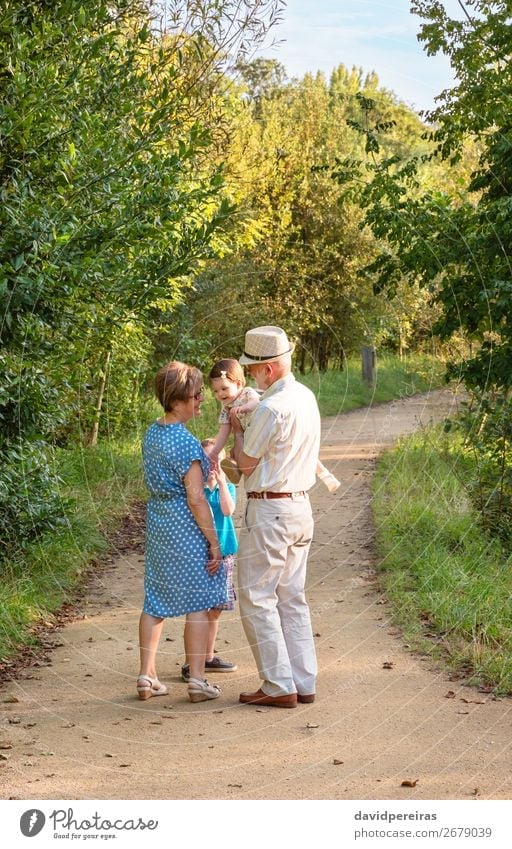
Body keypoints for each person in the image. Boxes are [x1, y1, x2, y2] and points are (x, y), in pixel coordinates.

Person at [231, 325, 321, 708]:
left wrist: (237, 427)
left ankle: (277, 684)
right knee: (291, 597)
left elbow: (245, 464)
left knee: (256, 595)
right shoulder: (304, 396)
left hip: (271, 507)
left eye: (252, 369)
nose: (250, 375)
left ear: (267, 369)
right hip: (300, 506)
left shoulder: (270, 407)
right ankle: (303, 680)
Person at [137, 361, 228, 704]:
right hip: (184, 524)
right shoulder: (187, 443)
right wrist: (214, 541)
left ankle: (147, 675)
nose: (201, 400)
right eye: (197, 395)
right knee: (199, 601)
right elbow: (195, 497)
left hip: (158, 521)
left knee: (154, 600)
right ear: (178, 399)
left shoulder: (152, 433)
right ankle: (198, 681)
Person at [209, 357, 340, 492]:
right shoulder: (226, 408)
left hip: (260, 431)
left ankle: (327, 477)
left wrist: (246, 408)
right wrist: (214, 453)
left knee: (309, 457)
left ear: (237, 384)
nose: (220, 394)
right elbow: (223, 432)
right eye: (216, 391)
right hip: (250, 437)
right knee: (235, 452)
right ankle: (236, 472)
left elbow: (257, 401)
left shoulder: (247, 393)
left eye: (224, 388)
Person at [181, 438, 238, 681]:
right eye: (206, 459)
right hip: (201, 553)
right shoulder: (195, 488)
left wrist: (222, 483)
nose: (211, 464)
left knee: (215, 609)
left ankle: (208, 656)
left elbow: (228, 510)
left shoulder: (227, 486)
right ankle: (189, 662)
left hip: (225, 551)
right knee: (198, 609)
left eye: (215, 459)